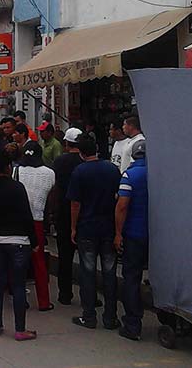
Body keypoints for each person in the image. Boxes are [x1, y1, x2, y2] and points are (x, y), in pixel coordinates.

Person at [67, 134, 121, 330]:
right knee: (110, 272)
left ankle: (89, 316)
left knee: (87, 273)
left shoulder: (79, 172)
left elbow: (75, 203)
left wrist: (73, 227)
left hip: (87, 228)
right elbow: (119, 197)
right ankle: (111, 317)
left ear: (81, 153)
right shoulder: (112, 169)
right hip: (108, 227)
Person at [0, 148, 38, 341]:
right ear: (8, 167)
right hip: (18, 240)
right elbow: (26, 215)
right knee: (18, 285)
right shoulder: (17, 187)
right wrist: (35, 240)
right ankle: (20, 329)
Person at [15, 141, 55, 311]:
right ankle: (44, 301)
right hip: (38, 219)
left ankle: (20, 299)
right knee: (39, 262)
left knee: (18, 262)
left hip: (19, 221)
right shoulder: (50, 173)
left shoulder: (18, 170)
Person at [115, 140, 148, 341]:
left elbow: (122, 206)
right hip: (158, 236)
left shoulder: (129, 175)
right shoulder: (161, 173)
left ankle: (133, 324)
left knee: (132, 278)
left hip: (134, 234)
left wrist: (118, 233)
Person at [51, 127, 83, 305]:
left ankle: (65, 294)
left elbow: (54, 188)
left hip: (64, 211)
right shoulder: (84, 162)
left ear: (66, 143)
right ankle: (89, 295)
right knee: (88, 258)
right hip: (84, 213)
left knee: (65, 255)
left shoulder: (60, 161)